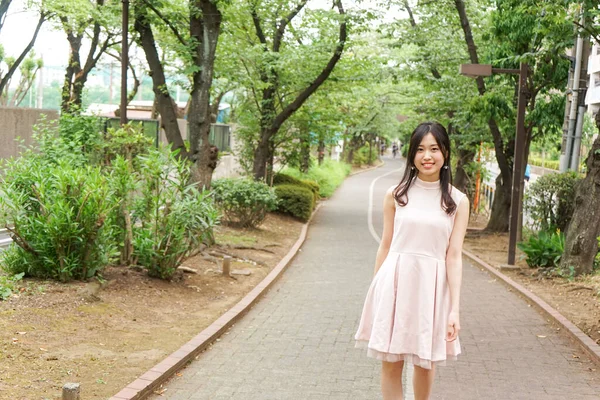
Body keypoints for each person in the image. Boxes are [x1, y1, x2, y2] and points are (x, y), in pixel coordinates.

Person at [354, 122, 470, 400]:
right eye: (420, 149)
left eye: (434, 149)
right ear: (411, 155)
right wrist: (375, 291)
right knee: (391, 363)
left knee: (425, 363)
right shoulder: (396, 195)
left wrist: (454, 309)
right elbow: (385, 244)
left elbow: (453, 256)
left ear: (445, 154)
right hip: (394, 284)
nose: (427, 156)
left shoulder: (457, 201)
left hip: (431, 289)